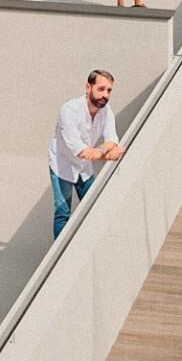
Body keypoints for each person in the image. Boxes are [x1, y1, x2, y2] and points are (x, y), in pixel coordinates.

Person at [48, 68, 123, 237]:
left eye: (109, 90)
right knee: (63, 212)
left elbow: (112, 139)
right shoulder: (69, 110)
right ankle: (62, 252)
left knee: (95, 207)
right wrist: (107, 155)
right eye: (101, 89)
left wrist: (101, 150)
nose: (105, 95)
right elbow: (79, 150)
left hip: (84, 167)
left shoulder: (106, 111)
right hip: (62, 164)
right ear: (88, 87)